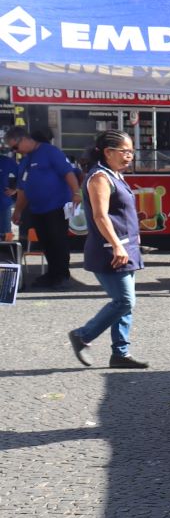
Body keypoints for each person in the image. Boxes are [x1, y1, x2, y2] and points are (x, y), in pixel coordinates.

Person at [66, 131, 148, 369]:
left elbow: (120, 213)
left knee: (126, 303)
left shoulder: (115, 175)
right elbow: (100, 216)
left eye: (132, 151)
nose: (129, 156)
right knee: (124, 301)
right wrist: (116, 245)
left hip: (126, 247)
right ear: (108, 152)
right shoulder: (100, 177)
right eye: (125, 151)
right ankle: (82, 335)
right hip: (110, 250)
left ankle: (120, 353)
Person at [6, 126, 81, 289]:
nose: (15, 151)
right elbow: (23, 190)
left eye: (15, 147)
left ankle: (61, 275)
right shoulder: (25, 160)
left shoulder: (50, 152)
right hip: (38, 209)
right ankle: (52, 273)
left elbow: (68, 173)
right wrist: (18, 211)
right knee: (46, 242)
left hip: (57, 206)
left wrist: (76, 192)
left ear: (23, 139)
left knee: (58, 241)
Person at [0, 145, 17, 239]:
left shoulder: (6, 161)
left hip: (3, 204)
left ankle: (8, 252)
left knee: (5, 235)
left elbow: (21, 175)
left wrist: (14, 189)